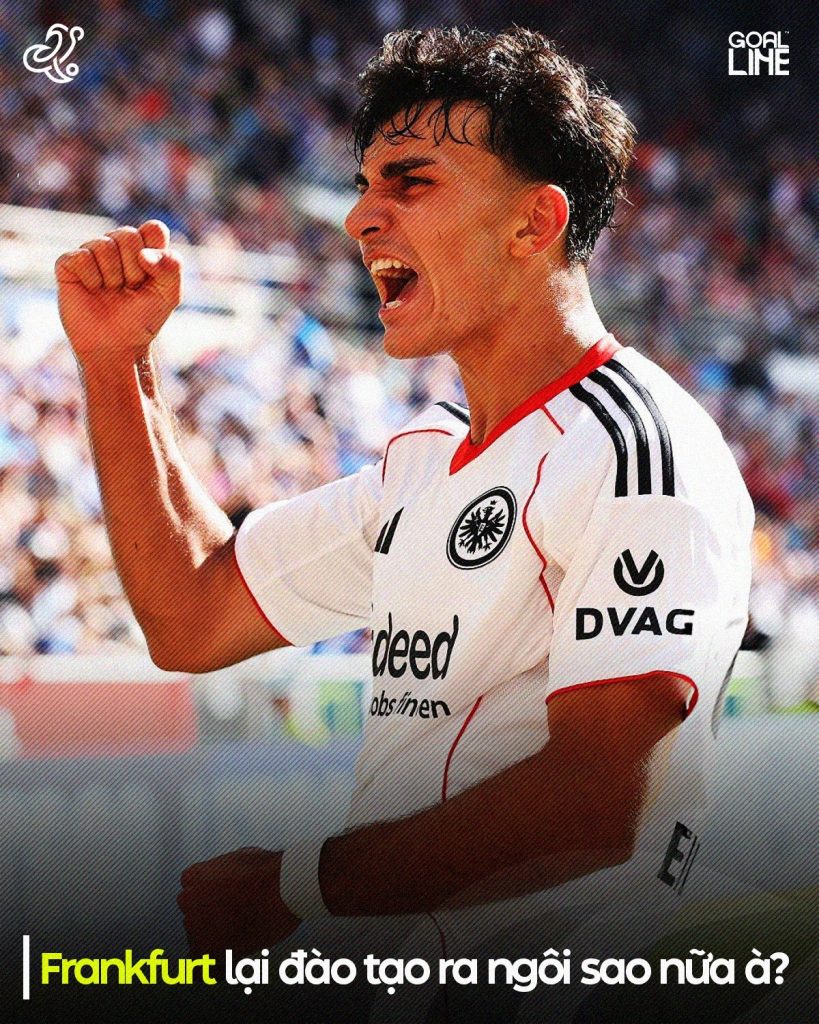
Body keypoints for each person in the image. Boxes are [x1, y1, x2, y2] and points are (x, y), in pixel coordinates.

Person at [55, 26, 753, 1020]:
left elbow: (600, 802)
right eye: (363, 184)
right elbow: (191, 614)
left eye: (410, 182)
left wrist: (293, 885)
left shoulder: (636, 449)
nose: (359, 217)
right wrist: (115, 365)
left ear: (534, 222)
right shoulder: (425, 459)